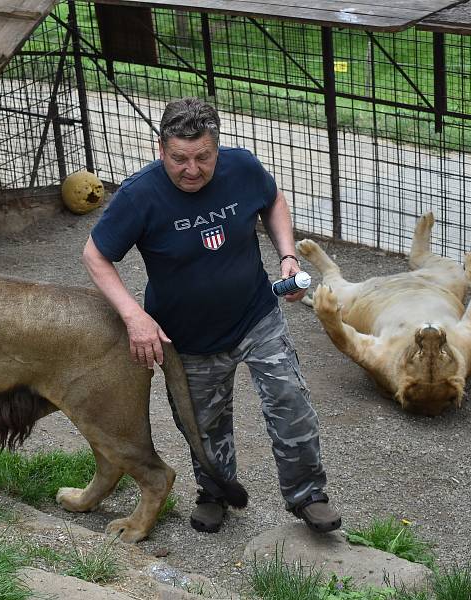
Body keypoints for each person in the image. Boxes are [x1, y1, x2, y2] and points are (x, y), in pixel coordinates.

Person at [82, 97, 341, 534]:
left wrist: (288, 255)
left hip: (256, 316)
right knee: (204, 426)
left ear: (216, 148)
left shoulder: (241, 168)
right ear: (161, 148)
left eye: (203, 157)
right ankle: (215, 492)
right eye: (179, 158)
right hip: (189, 337)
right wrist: (134, 316)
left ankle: (308, 496)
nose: (192, 169)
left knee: (290, 402)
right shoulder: (139, 195)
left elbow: (273, 199)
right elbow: (95, 256)